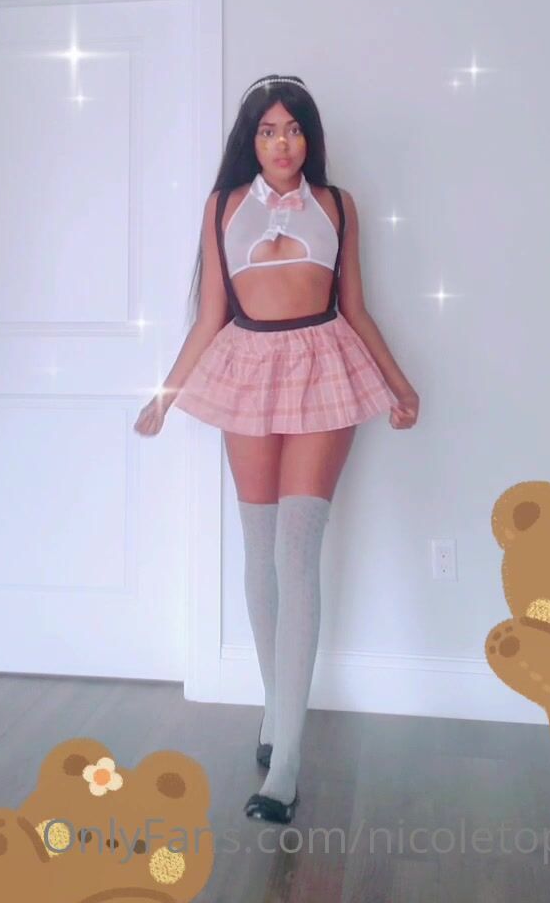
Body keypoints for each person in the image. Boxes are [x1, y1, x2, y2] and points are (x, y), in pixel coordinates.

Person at [134, 73, 419, 825]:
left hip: (324, 363)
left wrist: (399, 384)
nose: (281, 142)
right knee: (258, 550)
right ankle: (275, 710)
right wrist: (164, 396)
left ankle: (286, 761)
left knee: (297, 550)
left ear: (309, 137)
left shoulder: (338, 205)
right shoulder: (222, 206)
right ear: (251, 140)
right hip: (248, 368)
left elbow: (355, 307)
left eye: (292, 129)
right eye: (267, 130)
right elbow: (210, 316)